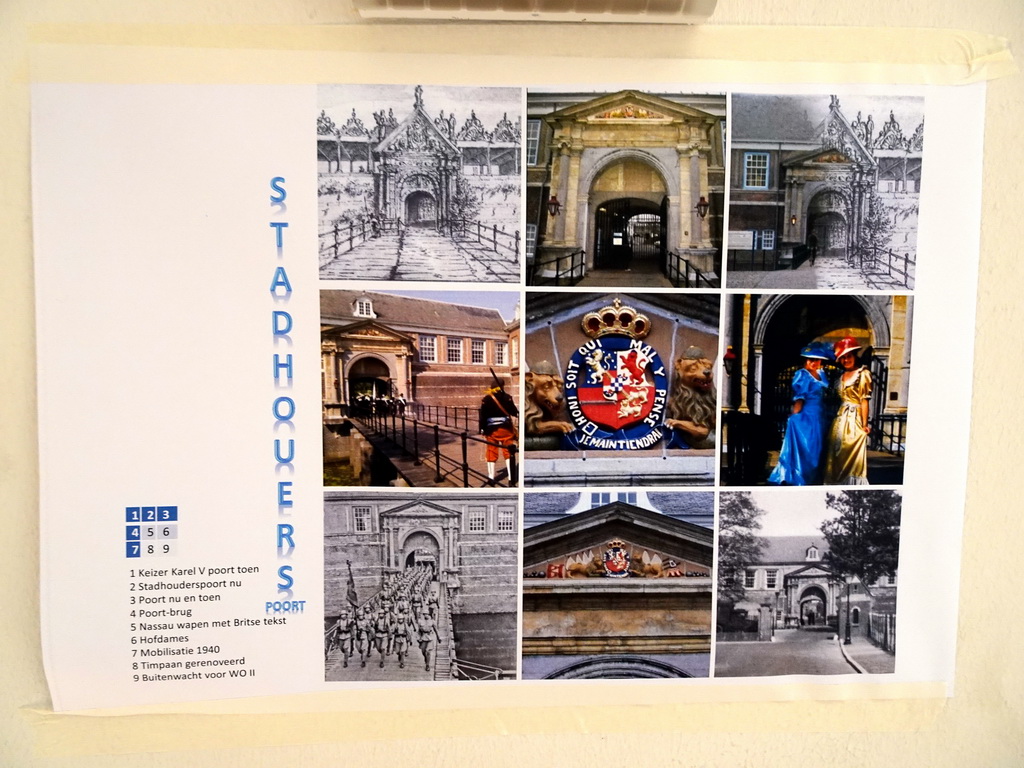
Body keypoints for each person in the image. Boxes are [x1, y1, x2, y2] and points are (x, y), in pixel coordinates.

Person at [768, 341, 833, 486]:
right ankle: (799, 476)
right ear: (805, 360)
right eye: (810, 359)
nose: (813, 362)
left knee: (817, 448)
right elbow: (800, 398)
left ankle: (814, 477)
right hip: (806, 417)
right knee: (806, 447)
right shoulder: (802, 374)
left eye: (816, 359)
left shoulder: (821, 374)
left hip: (819, 417)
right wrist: (795, 414)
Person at [824, 336, 872, 485]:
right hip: (840, 418)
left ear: (854, 356)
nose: (846, 360)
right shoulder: (841, 376)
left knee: (850, 451)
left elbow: (864, 400)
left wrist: (864, 424)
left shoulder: (863, 374)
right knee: (836, 452)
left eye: (848, 356)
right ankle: (835, 482)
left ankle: (850, 483)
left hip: (854, 419)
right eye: (843, 358)